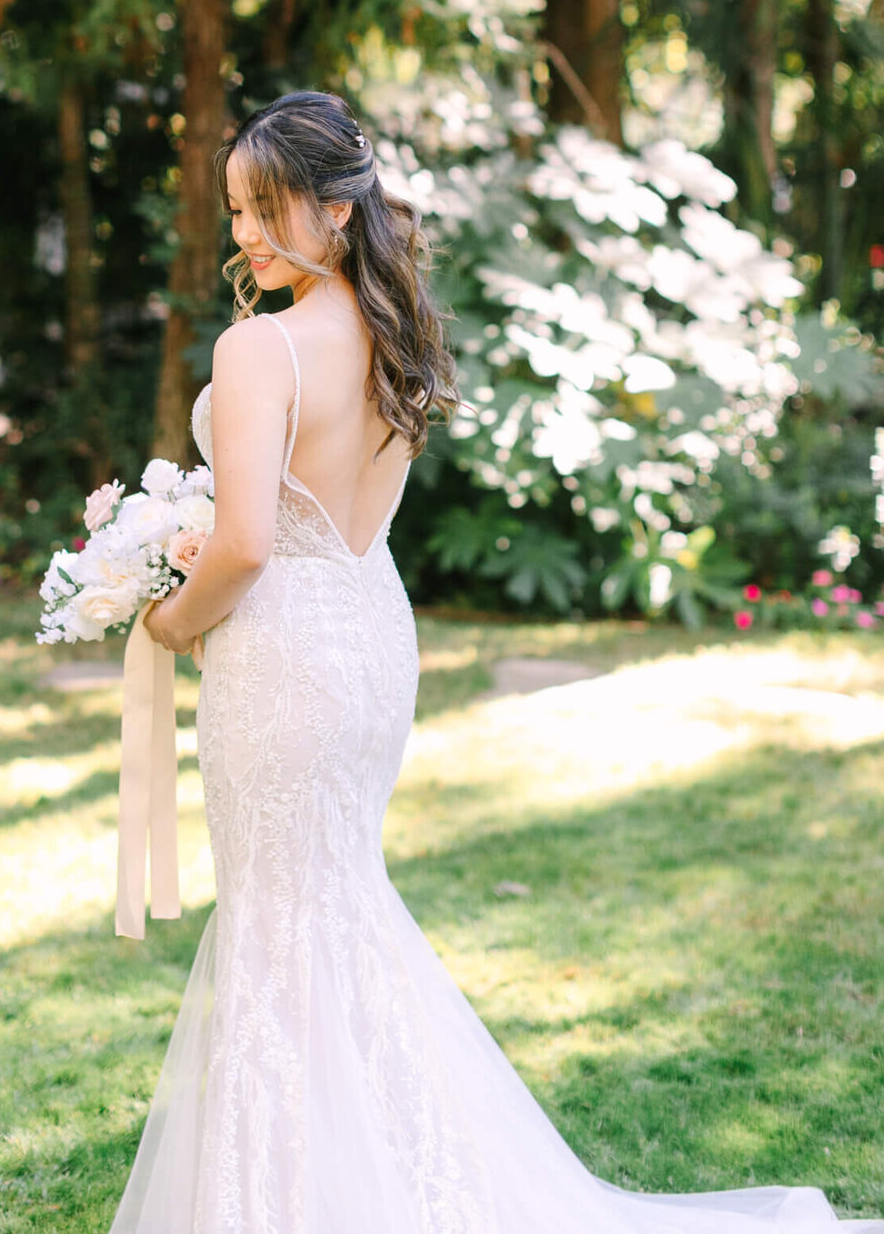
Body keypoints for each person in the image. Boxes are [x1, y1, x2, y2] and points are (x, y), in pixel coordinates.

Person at [112, 91, 881, 1234]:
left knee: (284, 916)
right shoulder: (393, 333)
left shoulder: (258, 345)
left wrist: (168, 625)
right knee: (329, 906)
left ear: (334, 209)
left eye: (267, 210)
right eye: (235, 211)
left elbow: (246, 544)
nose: (247, 237)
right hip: (368, 637)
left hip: (283, 659)